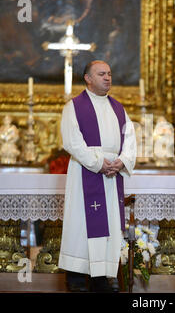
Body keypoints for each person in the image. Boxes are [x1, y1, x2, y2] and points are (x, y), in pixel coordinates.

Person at [58, 60, 136, 292]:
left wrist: (122, 161)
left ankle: (102, 277)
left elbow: (130, 139)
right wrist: (97, 163)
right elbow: (72, 142)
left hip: (112, 175)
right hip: (86, 172)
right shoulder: (74, 106)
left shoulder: (119, 108)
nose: (107, 78)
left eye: (110, 74)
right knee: (82, 225)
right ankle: (77, 279)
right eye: (101, 74)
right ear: (88, 78)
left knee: (109, 226)